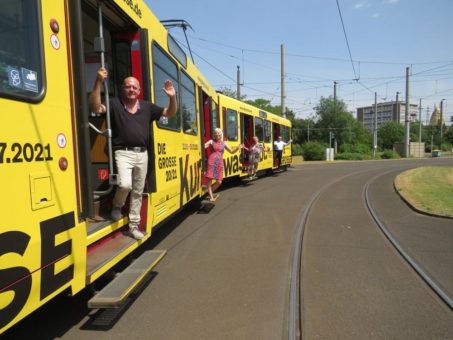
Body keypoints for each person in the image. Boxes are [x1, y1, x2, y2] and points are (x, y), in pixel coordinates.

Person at [89, 67, 177, 240]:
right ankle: (117, 206)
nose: (131, 89)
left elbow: (170, 113)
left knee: (137, 191)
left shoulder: (147, 107)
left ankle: (134, 226)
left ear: (139, 91)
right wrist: (98, 82)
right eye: (128, 86)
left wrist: (172, 97)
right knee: (125, 185)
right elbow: (95, 107)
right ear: (123, 88)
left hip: (142, 154)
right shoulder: (114, 103)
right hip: (123, 152)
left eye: (134, 87)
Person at [204, 128, 242, 202]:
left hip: (219, 163)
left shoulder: (224, 143)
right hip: (211, 162)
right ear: (214, 134)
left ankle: (209, 192)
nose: (217, 134)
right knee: (210, 180)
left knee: (219, 181)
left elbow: (231, 151)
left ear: (221, 134)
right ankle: (211, 197)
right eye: (215, 133)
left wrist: (237, 148)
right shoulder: (211, 141)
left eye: (218, 133)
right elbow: (204, 146)